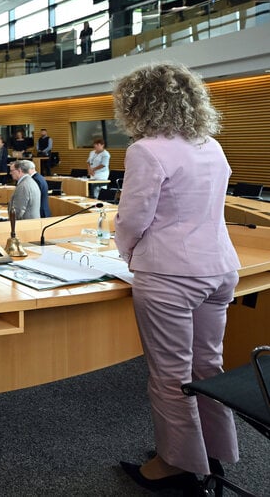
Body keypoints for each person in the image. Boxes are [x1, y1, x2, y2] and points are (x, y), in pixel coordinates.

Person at [113, 63, 240, 491]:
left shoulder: (146, 149)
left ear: (138, 104)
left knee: (170, 374)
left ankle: (177, 464)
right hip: (220, 269)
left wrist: (128, 253)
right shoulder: (211, 145)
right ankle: (213, 452)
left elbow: (133, 219)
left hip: (169, 274)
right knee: (209, 365)